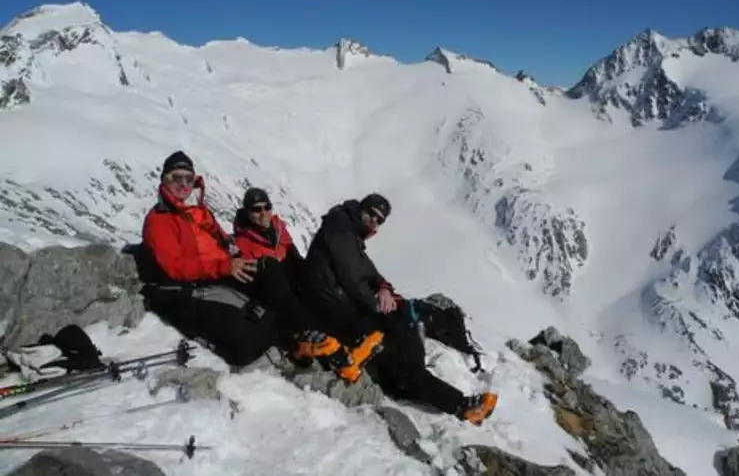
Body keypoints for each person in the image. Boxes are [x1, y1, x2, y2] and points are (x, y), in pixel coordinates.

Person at [300, 192, 498, 425]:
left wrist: (384, 288)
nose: (374, 221)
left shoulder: (347, 231)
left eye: (379, 219)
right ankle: (450, 400)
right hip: (332, 309)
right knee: (397, 327)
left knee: (401, 315)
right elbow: (351, 277)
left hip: (339, 303)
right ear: (361, 209)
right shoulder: (341, 231)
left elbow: (366, 270)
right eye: (371, 214)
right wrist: (377, 303)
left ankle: (421, 382)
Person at [140, 151, 275, 367]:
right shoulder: (159, 220)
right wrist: (223, 266)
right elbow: (175, 267)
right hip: (184, 290)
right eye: (176, 178)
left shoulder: (197, 211)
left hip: (214, 275)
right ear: (165, 180)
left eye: (188, 179)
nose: (183, 184)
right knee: (247, 343)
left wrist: (234, 256)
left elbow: (221, 237)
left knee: (271, 283)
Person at [232, 187, 377, 373]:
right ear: (247, 212)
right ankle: (314, 343)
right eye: (256, 209)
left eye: (266, 207)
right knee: (277, 277)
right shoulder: (241, 243)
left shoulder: (278, 228)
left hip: (292, 286)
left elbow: (295, 259)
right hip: (273, 294)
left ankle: (348, 337)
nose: (263, 214)